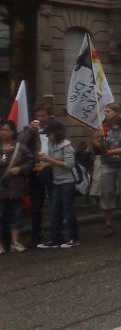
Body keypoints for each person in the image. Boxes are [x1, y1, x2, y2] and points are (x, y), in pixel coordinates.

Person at [35, 120, 80, 249]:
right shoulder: (52, 144)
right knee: (54, 210)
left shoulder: (67, 146)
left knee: (68, 210)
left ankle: (74, 237)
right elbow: (54, 161)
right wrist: (44, 165)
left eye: (49, 133)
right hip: (56, 180)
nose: (48, 136)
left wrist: (49, 160)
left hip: (67, 181)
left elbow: (69, 165)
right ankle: (56, 238)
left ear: (56, 133)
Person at [91, 102, 121, 237]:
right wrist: (96, 140)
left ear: (116, 112)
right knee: (107, 193)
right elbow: (99, 150)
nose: (106, 113)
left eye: (108, 111)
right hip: (107, 164)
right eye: (105, 111)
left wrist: (113, 152)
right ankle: (108, 223)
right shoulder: (103, 127)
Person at [0, 120, 32, 253]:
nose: (3, 132)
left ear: (13, 132)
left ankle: (15, 242)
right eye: (2, 129)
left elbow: (31, 161)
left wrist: (20, 168)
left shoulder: (20, 147)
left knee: (16, 214)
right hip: (1, 187)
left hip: (16, 186)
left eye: (6, 130)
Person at [23, 106, 53, 247]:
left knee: (55, 203)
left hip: (51, 168)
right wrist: (30, 129)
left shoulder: (54, 129)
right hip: (36, 169)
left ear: (48, 116)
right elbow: (20, 143)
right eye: (37, 116)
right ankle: (36, 235)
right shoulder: (29, 131)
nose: (40, 118)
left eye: (43, 115)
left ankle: (56, 233)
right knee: (36, 206)